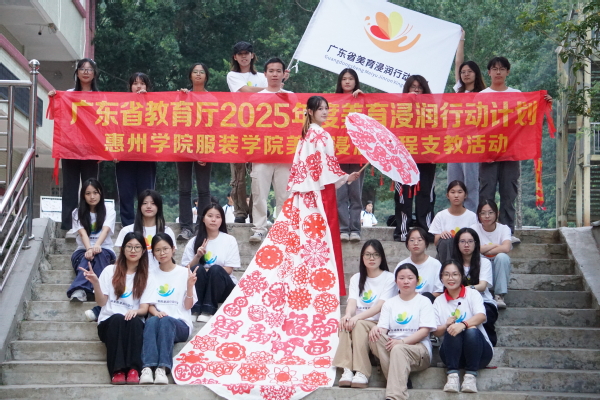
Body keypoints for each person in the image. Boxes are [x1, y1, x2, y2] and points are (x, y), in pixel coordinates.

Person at [479, 56, 552, 244]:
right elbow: (473, 124)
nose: (498, 72)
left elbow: (530, 119)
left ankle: (507, 232)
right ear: (489, 72)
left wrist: (543, 105)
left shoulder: (517, 94)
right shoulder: (481, 96)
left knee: (508, 193)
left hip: (511, 152)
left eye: (502, 69)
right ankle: (483, 233)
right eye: (494, 69)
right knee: (486, 193)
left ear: (508, 72)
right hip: (488, 153)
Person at [292, 95, 361, 295]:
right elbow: (326, 166)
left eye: (326, 108)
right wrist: (345, 177)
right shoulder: (321, 135)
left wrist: (345, 177)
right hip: (322, 192)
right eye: (320, 108)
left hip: (307, 192)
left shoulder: (306, 134)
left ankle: (309, 285)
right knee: (325, 238)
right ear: (310, 111)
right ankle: (326, 286)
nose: (324, 112)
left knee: (309, 239)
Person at [80, 231, 150, 384]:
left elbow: (144, 309)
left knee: (134, 321)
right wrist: (96, 284)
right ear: (122, 249)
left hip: (133, 324)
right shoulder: (109, 270)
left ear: (143, 251)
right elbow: (101, 303)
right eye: (129, 246)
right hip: (109, 323)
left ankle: (133, 370)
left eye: (137, 247)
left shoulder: (147, 276)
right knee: (118, 318)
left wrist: (135, 311)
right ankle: (117, 371)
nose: (133, 250)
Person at [333, 239, 397, 388]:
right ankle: (347, 370)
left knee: (358, 324)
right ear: (362, 257)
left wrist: (356, 318)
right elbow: (352, 302)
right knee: (344, 323)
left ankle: (362, 372)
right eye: (367, 254)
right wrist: (348, 315)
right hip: (359, 321)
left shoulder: (389, 278)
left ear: (381, 257)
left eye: (375, 254)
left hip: (377, 323)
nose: (371, 258)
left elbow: (380, 306)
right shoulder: (356, 278)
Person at [368, 264, 437, 399]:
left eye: (410, 278)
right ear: (396, 281)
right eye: (402, 278)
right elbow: (383, 329)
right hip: (393, 347)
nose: (406, 281)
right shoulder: (389, 303)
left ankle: (395, 396)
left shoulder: (424, 301)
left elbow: (424, 331)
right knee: (375, 337)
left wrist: (402, 342)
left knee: (399, 349)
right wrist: (376, 329)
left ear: (417, 280)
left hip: (418, 349)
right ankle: (401, 380)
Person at [49, 58, 100, 231]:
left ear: (94, 74)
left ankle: (90, 224)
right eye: (82, 69)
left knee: (91, 189)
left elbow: (105, 126)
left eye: (89, 69)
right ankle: (68, 225)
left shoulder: (100, 97)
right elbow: (58, 115)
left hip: (91, 150)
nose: (86, 72)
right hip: (70, 148)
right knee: (70, 188)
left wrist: (103, 151)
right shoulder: (68, 94)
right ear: (77, 73)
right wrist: (54, 98)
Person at [139, 233, 197, 385]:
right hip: (157, 320)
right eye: (157, 250)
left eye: (165, 249)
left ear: (173, 249)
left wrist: (190, 286)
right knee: (151, 322)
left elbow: (188, 306)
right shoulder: (150, 274)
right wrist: (157, 313)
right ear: (153, 253)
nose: (162, 253)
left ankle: (162, 368)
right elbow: (149, 304)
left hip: (180, 324)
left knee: (166, 321)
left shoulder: (184, 272)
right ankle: (147, 368)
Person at [249, 57, 292, 243]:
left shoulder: (291, 96)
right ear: (265, 74)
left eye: (278, 71)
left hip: (285, 154)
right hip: (261, 152)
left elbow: (298, 123)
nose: (275, 74)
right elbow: (248, 124)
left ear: (284, 74)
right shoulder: (255, 98)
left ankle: (281, 229)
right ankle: (259, 228)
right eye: (271, 71)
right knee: (259, 193)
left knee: (284, 195)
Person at [433, 260, 494, 393]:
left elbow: (482, 316)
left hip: (480, 353)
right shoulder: (438, 301)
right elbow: (436, 332)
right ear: (441, 278)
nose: (451, 278)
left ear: (461, 276)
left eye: (455, 274)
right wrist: (447, 325)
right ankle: (452, 377)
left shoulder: (472, 293)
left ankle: (470, 377)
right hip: (451, 354)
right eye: (446, 274)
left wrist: (463, 324)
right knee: (451, 329)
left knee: (471, 330)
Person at [227, 41, 267, 224]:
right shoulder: (232, 75)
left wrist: (277, 83)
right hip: (237, 128)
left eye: (247, 53)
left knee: (257, 173)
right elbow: (245, 90)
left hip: (259, 129)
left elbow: (273, 95)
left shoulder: (263, 76)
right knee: (238, 174)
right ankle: (240, 211)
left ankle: (256, 211)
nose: (244, 56)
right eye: (240, 54)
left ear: (252, 55)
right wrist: (270, 88)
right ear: (235, 57)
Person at [447, 28, 487, 213]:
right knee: (454, 181)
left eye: (470, 71)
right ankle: (455, 214)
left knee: (470, 182)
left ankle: (471, 215)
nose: (465, 74)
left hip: (472, 143)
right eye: (463, 72)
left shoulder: (484, 95)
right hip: (454, 142)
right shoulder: (459, 91)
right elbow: (458, 62)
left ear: (476, 74)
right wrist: (460, 40)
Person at [393, 75, 436, 242]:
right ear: (407, 89)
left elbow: (439, 131)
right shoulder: (398, 108)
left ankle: (426, 230)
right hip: (403, 159)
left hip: (427, 156)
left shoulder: (433, 109)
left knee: (425, 193)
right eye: (413, 87)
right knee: (403, 195)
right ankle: (403, 231)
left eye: (420, 87)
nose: (416, 90)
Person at [181, 203, 241, 322]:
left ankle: (208, 310)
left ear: (222, 220)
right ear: (203, 219)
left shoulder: (229, 240)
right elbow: (187, 270)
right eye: (210, 216)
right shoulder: (194, 241)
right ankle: (195, 309)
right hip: (200, 287)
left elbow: (229, 270)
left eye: (218, 217)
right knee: (198, 269)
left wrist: (207, 270)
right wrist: (197, 256)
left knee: (216, 269)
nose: (213, 220)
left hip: (223, 288)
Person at [115, 73, 157, 226]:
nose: (139, 86)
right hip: (125, 156)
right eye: (135, 83)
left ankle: (145, 223)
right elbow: (114, 128)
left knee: (146, 193)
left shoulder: (156, 105)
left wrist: (145, 102)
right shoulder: (121, 105)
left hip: (147, 156)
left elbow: (161, 127)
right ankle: (127, 225)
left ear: (147, 86)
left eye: (142, 83)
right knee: (125, 192)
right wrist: (114, 151)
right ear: (130, 87)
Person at [176, 62, 212, 240]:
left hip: (204, 145)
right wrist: (180, 97)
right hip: (183, 144)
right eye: (195, 72)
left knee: (203, 189)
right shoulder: (183, 96)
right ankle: (185, 227)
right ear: (190, 75)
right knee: (184, 188)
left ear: (206, 76)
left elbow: (214, 125)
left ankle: (201, 227)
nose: (198, 74)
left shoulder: (212, 98)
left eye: (201, 72)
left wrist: (204, 151)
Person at [67, 179, 116, 302]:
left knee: (99, 255)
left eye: (95, 192)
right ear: (83, 195)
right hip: (82, 250)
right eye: (88, 193)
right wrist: (89, 249)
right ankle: (90, 290)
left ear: (100, 193)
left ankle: (83, 289)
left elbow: (105, 230)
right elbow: (82, 233)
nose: (92, 197)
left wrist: (97, 245)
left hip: (105, 249)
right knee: (86, 258)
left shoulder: (109, 209)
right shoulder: (76, 212)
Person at [453, 228, 498, 346]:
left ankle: (488, 345)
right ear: (457, 244)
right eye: (462, 241)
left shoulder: (484, 262)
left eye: (470, 241)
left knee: (486, 313)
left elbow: (482, 286)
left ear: (476, 243)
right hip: (459, 301)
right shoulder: (452, 264)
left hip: (484, 300)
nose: (466, 245)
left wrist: (464, 289)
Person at [335, 68, 365, 242]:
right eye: (344, 79)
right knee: (340, 194)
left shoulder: (362, 99)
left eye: (351, 79)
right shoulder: (332, 101)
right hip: (338, 154)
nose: (347, 81)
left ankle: (355, 229)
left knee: (355, 194)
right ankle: (343, 229)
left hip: (357, 154)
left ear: (356, 81)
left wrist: (363, 98)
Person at [471, 199, 512, 309]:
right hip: (481, 268)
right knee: (478, 257)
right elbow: (472, 249)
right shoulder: (474, 229)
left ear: (497, 213)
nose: (487, 216)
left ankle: (499, 295)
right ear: (478, 215)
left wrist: (483, 249)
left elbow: (506, 248)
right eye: (483, 213)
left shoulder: (504, 229)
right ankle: (480, 291)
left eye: (490, 212)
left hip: (497, 268)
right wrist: (495, 245)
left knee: (502, 257)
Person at [429, 180, 477, 263]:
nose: (456, 195)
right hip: (446, 254)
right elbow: (436, 242)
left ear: (465, 195)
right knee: (447, 240)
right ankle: (448, 269)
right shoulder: (440, 216)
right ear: (447, 195)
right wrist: (441, 235)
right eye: (453, 192)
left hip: (465, 254)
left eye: (460, 192)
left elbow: (475, 239)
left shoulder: (472, 216)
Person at [395, 227, 443, 303]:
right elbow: (397, 291)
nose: (416, 243)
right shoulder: (401, 265)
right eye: (412, 240)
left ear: (426, 243)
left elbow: (439, 291)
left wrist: (421, 300)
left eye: (420, 240)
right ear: (407, 244)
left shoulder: (435, 264)